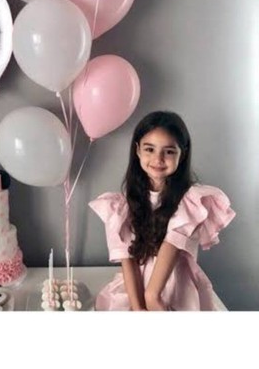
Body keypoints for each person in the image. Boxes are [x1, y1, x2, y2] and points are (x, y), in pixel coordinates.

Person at [89, 110, 236, 311]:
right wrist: (138, 308)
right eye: (149, 149)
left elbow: (154, 293)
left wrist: (151, 299)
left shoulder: (191, 203)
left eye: (169, 151)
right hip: (138, 287)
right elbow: (128, 261)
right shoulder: (122, 206)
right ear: (137, 150)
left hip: (174, 287)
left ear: (182, 154)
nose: (158, 159)